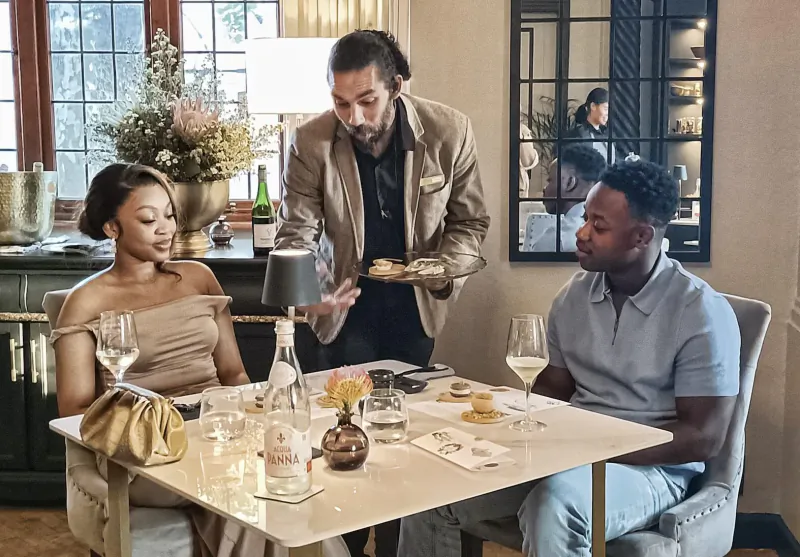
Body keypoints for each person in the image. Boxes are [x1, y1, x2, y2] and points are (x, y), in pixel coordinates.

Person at [399, 159, 741, 557]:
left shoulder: (700, 312)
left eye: (599, 225)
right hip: (569, 451)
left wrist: (595, 449)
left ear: (642, 237)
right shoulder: (574, 297)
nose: (582, 232)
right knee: (433, 492)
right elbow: (552, 391)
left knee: (555, 504)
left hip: (652, 470)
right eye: (585, 217)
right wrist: (503, 423)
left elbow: (703, 437)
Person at [52, 163, 350, 557]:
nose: (166, 228)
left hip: (218, 428)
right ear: (112, 228)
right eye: (148, 219)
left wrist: (260, 422)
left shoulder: (198, 276)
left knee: (289, 480)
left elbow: (233, 373)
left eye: (170, 215)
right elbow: (75, 409)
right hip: (145, 446)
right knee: (253, 492)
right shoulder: (86, 301)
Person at [274, 28, 490, 557]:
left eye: (367, 101)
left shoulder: (449, 130)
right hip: (340, 309)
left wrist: (439, 269)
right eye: (341, 103)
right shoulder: (310, 140)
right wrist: (309, 294)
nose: (355, 118)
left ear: (396, 86)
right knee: (339, 440)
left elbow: (471, 224)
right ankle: (340, 545)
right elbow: (295, 234)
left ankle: (394, 548)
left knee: (400, 439)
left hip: (416, 306)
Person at [522, 143, 605, 252]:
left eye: (550, 180)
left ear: (570, 182)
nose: (545, 188)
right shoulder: (608, 234)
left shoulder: (555, 239)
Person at [566, 87, 616, 163]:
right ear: (593, 106)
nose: (607, 114)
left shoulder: (606, 133)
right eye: (605, 109)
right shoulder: (579, 135)